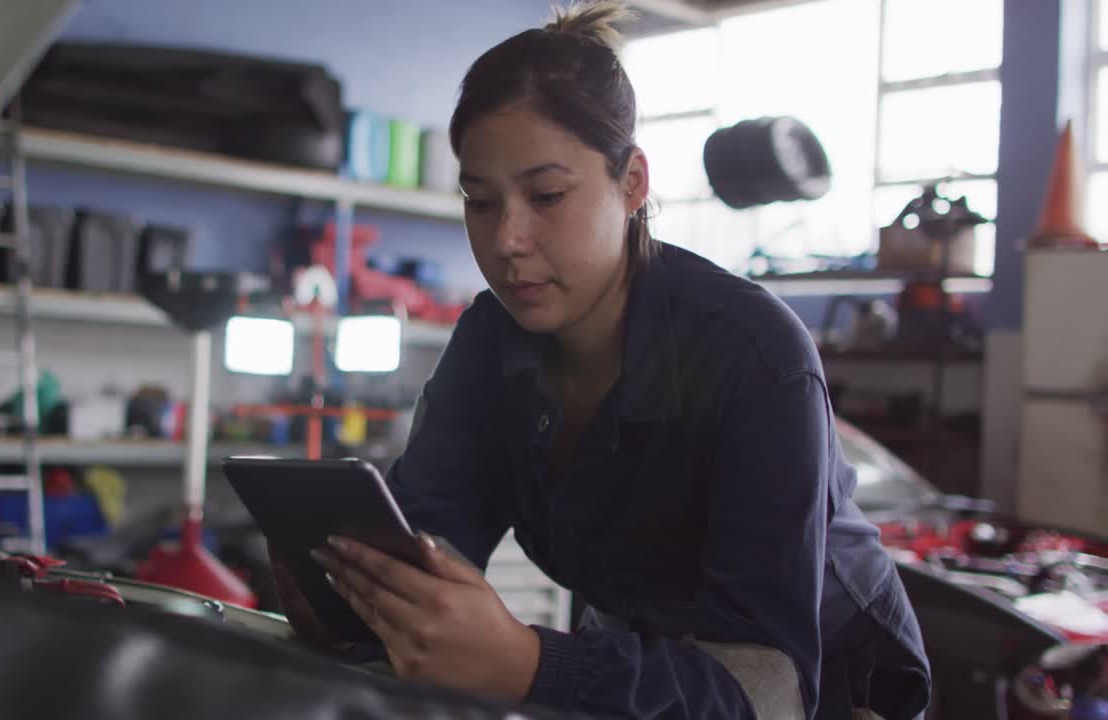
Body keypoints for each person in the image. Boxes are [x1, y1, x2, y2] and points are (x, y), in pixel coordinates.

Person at [299, 2, 932, 717]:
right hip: (649, 651)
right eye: (480, 201)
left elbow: (768, 687)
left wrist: (526, 663)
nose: (506, 239)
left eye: (546, 196)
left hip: (828, 681)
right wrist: (350, 596)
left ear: (631, 182)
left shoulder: (753, 357)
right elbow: (426, 540)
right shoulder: (492, 342)